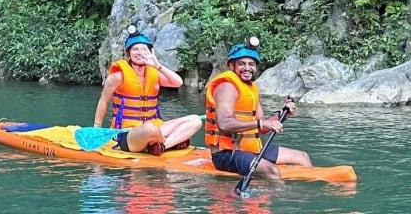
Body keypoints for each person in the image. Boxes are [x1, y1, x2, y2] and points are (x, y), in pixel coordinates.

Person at [204, 41, 311, 180]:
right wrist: (261, 123)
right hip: (226, 153)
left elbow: (262, 129)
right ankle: (280, 199)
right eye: (242, 64)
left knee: (302, 157)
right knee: (272, 171)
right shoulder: (226, 87)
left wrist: (282, 114)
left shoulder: (251, 89)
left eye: (251, 64)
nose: (247, 68)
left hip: (251, 149)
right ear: (232, 65)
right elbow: (224, 124)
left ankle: (309, 189)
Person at [93, 31, 201, 154]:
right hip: (127, 132)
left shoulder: (154, 73)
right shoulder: (117, 77)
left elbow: (178, 83)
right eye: (135, 49)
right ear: (128, 53)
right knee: (150, 129)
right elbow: (103, 100)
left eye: (144, 49)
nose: (139, 52)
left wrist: (158, 65)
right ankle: (171, 141)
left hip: (155, 126)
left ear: (150, 53)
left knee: (195, 120)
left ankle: (163, 146)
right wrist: (96, 128)